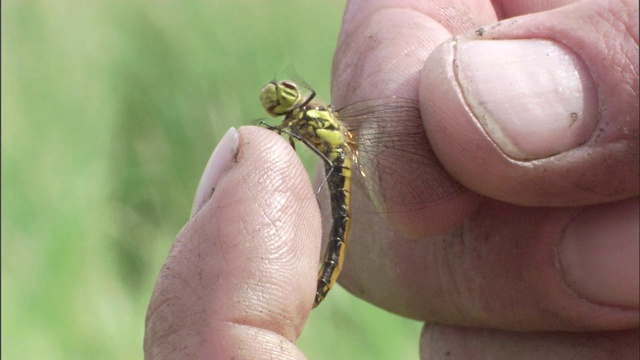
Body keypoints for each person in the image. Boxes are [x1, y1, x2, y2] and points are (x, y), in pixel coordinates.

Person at [144, 0, 639, 358]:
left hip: (344, 167)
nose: (281, 96)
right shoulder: (303, 122)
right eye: (278, 99)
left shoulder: (313, 122)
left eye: (284, 95)